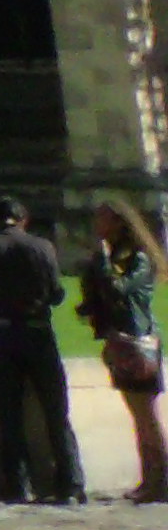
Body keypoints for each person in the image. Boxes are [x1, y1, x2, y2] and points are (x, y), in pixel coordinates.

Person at [0, 192, 85, 505]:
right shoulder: (43, 247)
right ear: (24, 220)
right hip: (39, 332)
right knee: (56, 411)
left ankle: (19, 484)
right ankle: (70, 483)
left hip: (3, 333)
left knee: (9, 413)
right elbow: (57, 294)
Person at [83, 194, 166, 505]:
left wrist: (102, 260)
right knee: (138, 416)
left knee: (146, 417)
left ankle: (161, 479)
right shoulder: (116, 255)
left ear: (118, 222)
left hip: (138, 343)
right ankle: (149, 478)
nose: (97, 223)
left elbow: (118, 288)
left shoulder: (138, 258)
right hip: (120, 342)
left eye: (102, 217)